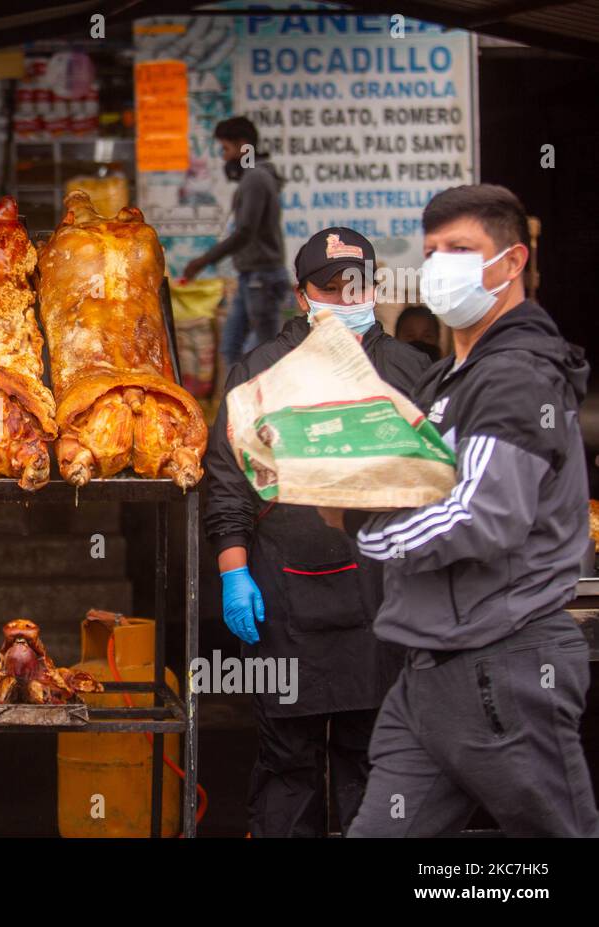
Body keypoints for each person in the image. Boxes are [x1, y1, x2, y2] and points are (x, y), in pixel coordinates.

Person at [325, 185, 598, 837]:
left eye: (461, 249)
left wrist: (364, 522)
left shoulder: (517, 376)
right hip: (429, 675)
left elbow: (482, 514)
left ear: (510, 263)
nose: (440, 264)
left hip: (502, 668)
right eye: (431, 251)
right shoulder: (453, 376)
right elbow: (424, 469)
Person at [203, 227, 430, 837]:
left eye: (354, 284)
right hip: (284, 599)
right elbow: (227, 484)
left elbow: (444, 484)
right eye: (328, 287)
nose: (342, 296)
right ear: (303, 297)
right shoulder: (260, 370)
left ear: (374, 286)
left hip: (384, 605)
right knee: (288, 767)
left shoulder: (412, 370)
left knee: (374, 765)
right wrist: (234, 574)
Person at [182, 117, 288, 368]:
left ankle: (263, 404)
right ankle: (236, 404)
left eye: (226, 149)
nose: (224, 157)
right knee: (231, 347)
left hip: (261, 278)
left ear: (243, 146)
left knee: (264, 352)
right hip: (251, 276)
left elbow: (245, 231)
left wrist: (204, 260)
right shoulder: (255, 177)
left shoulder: (255, 179)